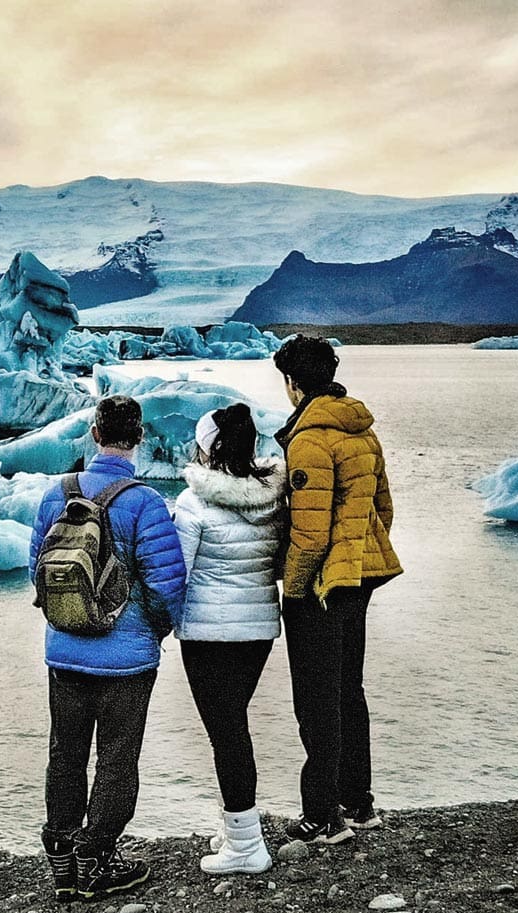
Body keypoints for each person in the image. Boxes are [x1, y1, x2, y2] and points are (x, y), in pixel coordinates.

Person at [30, 394, 187, 901]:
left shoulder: (57, 494)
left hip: (65, 651)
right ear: (138, 438)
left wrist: (64, 620)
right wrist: (156, 632)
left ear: (94, 434)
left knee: (66, 753)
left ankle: (61, 858)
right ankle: (96, 860)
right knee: (117, 759)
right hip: (127, 659)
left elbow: (35, 566)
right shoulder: (144, 502)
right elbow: (167, 585)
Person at [273, 335, 402, 844]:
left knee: (316, 698)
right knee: (350, 688)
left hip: (322, 585)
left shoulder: (310, 440)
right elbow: (383, 509)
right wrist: (359, 555)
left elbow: (308, 534)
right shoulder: (362, 431)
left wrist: (295, 590)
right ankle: (359, 803)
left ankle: (323, 816)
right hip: (361, 575)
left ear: (293, 383)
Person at [172, 403, 285, 875]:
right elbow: (278, 563)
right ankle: (237, 828)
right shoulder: (274, 498)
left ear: (208, 446)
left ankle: (246, 846)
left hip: (206, 633)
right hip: (257, 630)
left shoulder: (193, 502)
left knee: (227, 733)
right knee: (233, 725)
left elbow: (176, 571)